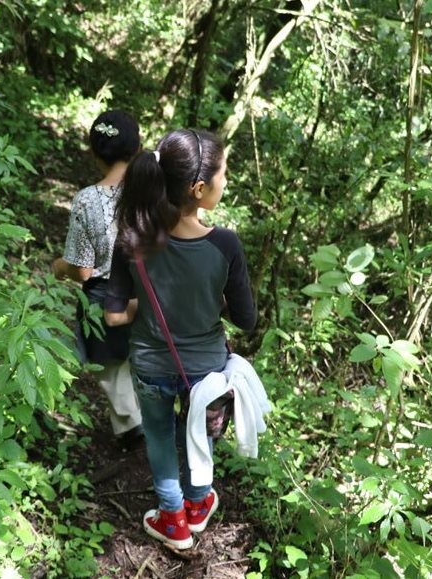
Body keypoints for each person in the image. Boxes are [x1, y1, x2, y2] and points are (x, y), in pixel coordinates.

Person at [104, 129, 256, 549]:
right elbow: (247, 319)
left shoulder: (132, 238)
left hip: (151, 364)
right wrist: (211, 303)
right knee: (198, 433)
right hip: (204, 369)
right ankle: (195, 503)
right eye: (223, 174)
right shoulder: (224, 244)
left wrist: (147, 310)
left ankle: (172, 520)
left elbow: (114, 314)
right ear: (199, 187)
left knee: (157, 435)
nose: (226, 182)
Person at [52, 110, 143, 449]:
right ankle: (141, 423)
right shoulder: (152, 192)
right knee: (136, 361)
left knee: (110, 367)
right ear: (138, 147)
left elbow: (83, 269)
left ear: (93, 151)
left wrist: (61, 267)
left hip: (106, 297)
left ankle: (134, 427)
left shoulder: (88, 199)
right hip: (149, 291)